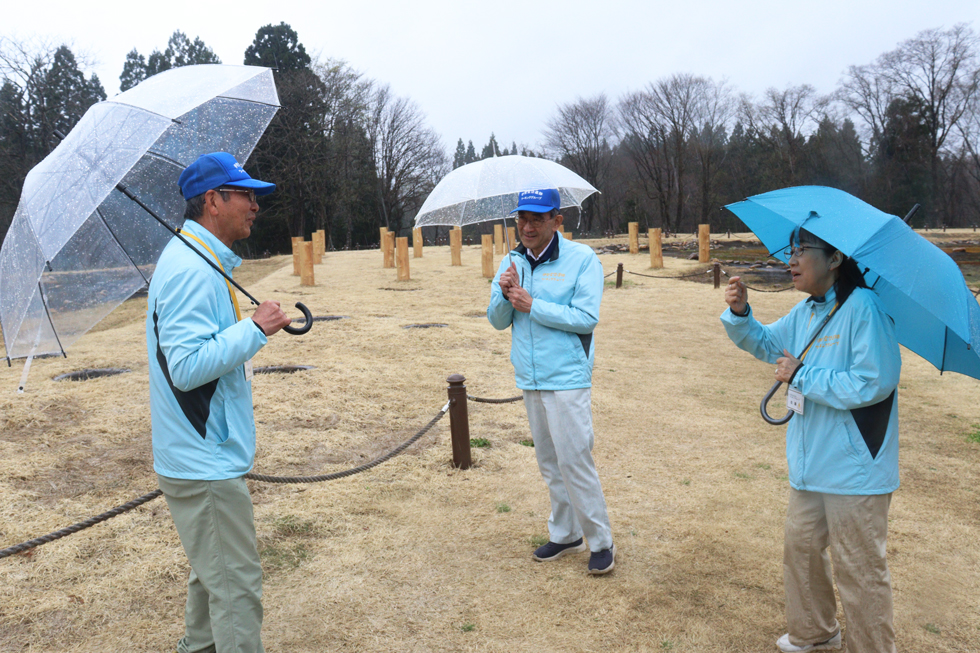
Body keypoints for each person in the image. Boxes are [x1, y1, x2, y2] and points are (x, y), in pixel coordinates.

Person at [720, 227, 901, 653]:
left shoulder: (864, 308)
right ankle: (816, 632)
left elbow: (874, 382)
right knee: (801, 551)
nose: (792, 259)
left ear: (835, 258)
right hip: (811, 464)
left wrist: (803, 375)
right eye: (792, 249)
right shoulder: (807, 313)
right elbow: (768, 344)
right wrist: (743, 313)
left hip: (855, 469)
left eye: (803, 250)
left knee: (859, 569)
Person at [147, 152, 291, 653]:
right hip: (201, 459)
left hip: (198, 452)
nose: (256, 204)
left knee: (213, 574)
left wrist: (244, 327)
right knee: (236, 588)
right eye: (245, 194)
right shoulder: (191, 270)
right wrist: (253, 330)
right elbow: (186, 368)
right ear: (213, 201)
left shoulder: (200, 260)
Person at [487, 188, 615, 575]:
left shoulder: (582, 259)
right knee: (549, 461)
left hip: (567, 376)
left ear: (557, 222)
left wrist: (533, 305)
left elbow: (585, 318)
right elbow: (496, 320)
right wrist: (505, 294)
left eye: (536, 219)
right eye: (521, 218)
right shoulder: (511, 261)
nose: (526, 226)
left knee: (575, 458)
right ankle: (565, 534)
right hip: (530, 377)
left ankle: (601, 541)